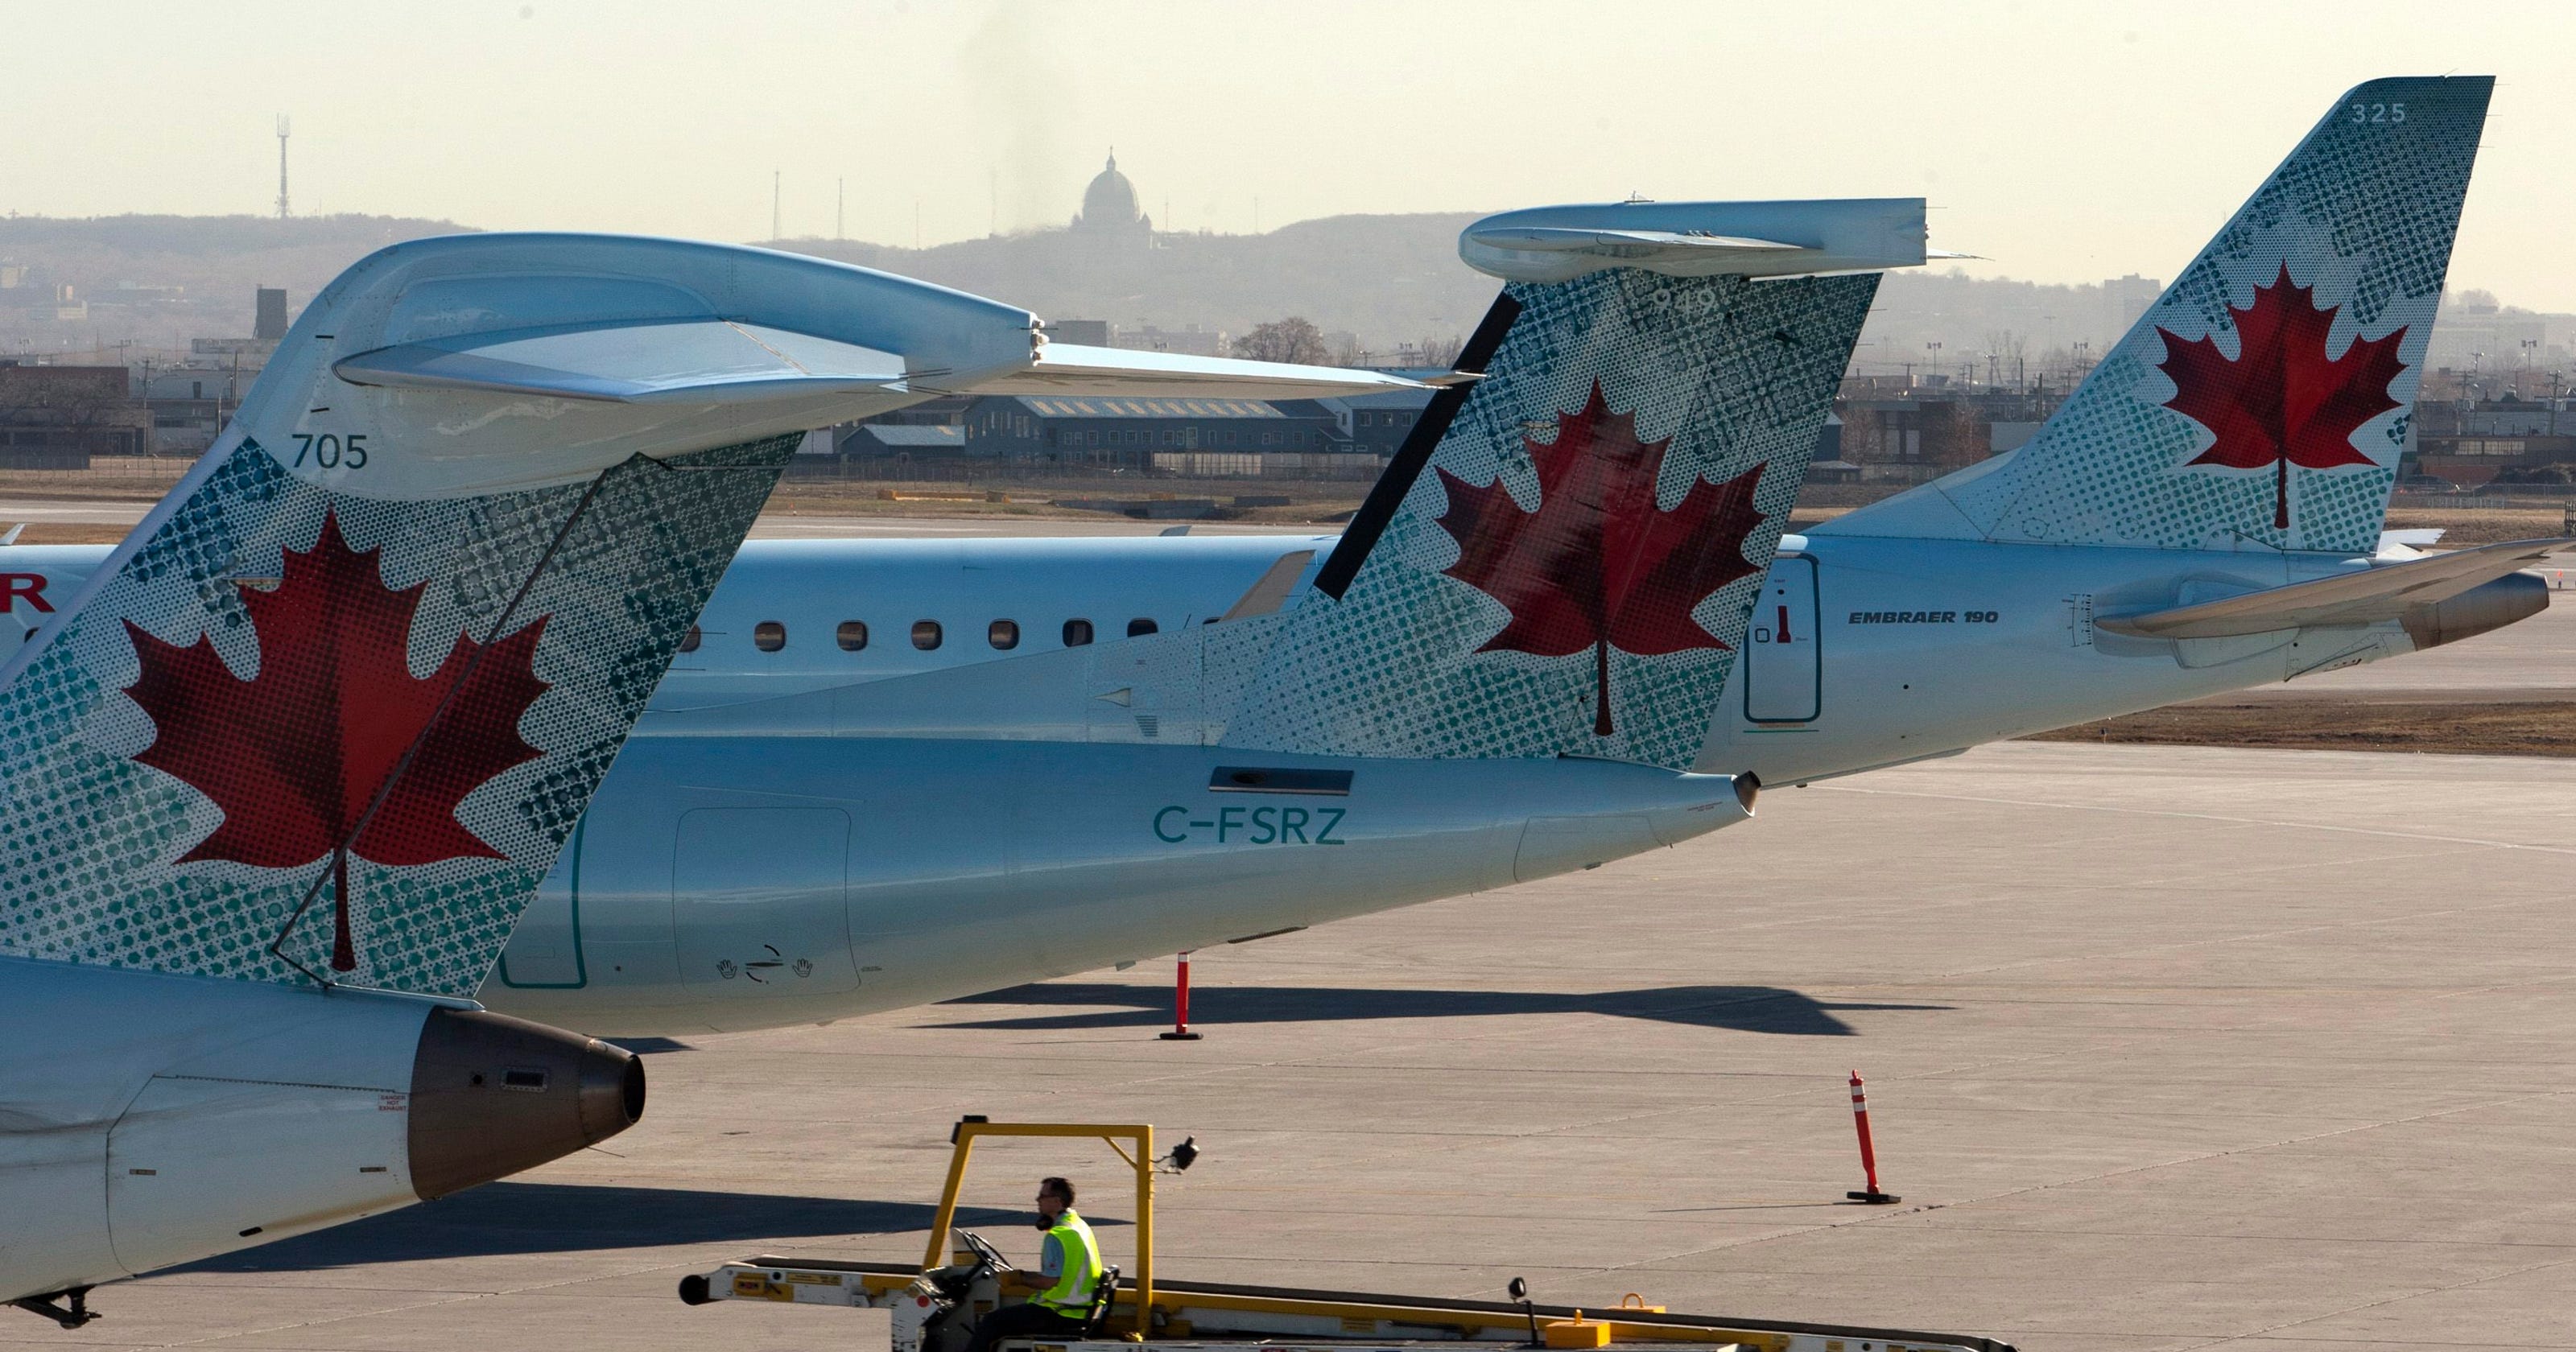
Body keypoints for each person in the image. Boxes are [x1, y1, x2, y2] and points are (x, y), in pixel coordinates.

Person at [962, 1176, 1102, 1352]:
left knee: (991, 1321)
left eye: (1042, 1196)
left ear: (1057, 1202)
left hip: (1061, 1313)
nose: (1038, 1200)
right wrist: (1021, 1275)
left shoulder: (1058, 1235)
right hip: (1079, 1310)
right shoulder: (1078, 1226)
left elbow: (1049, 1282)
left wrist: (1018, 1279)